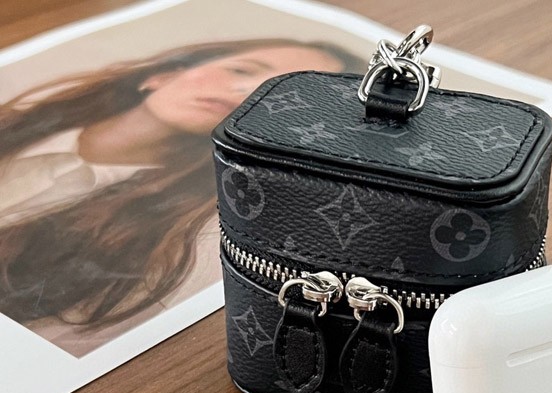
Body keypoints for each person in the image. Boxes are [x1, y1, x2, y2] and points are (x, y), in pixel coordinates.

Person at [0, 39, 362, 356]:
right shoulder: (13, 127)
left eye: (277, 98)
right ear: (162, 75)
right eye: (241, 69)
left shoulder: (188, 238)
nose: (244, 89)